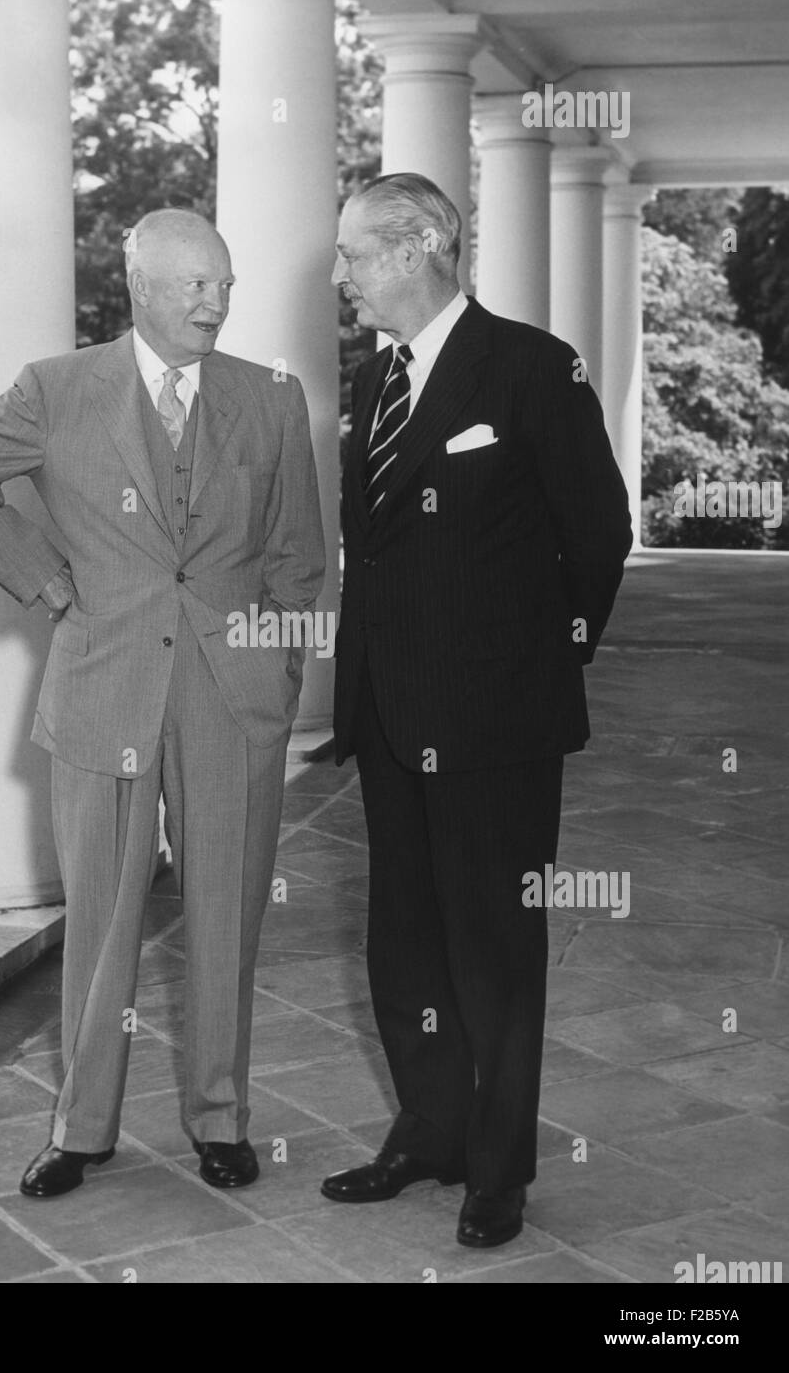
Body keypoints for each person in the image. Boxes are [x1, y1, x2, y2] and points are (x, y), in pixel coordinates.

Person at [0, 209, 325, 1198]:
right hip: (104, 687)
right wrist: (49, 581)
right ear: (138, 284)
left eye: (225, 284)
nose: (215, 303)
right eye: (194, 284)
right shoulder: (55, 390)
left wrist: (274, 666)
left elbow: (298, 554)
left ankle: (219, 1116)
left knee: (227, 913)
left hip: (232, 696)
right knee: (99, 914)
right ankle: (82, 1126)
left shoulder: (270, 398)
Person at [322, 173, 632, 1247]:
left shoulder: (531, 369)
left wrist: (540, 662)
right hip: (386, 713)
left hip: (496, 721)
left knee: (495, 948)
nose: (340, 276)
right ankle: (430, 1133)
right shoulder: (371, 379)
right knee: (402, 943)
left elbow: (597, 535)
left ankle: (497, 1170)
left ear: (420, 248)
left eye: (355, 254)